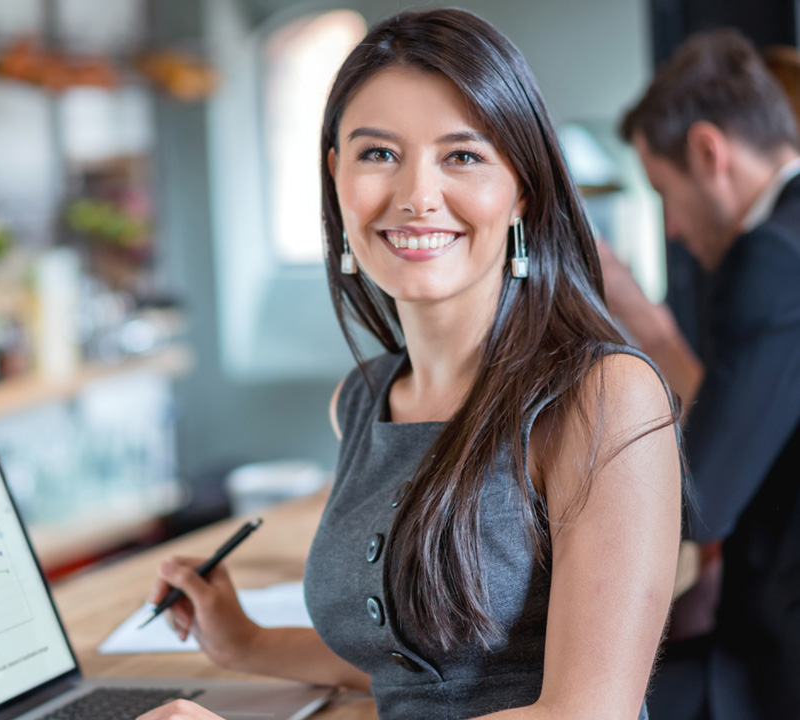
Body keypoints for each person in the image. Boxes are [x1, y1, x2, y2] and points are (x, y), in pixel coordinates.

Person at [137, 9, 682, 720]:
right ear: (336, 174)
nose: (416, 196)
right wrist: (245, 643)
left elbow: (584, 714)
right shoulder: (364, 400)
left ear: (522, 185)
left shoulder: (603, 394)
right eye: (377, 154)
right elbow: (418, 665)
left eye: (462, 155)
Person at [602, 28, 800, 720]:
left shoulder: (768, 258)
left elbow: (702, 497)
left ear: (709, 152)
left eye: (663, 192)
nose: (675, 230)